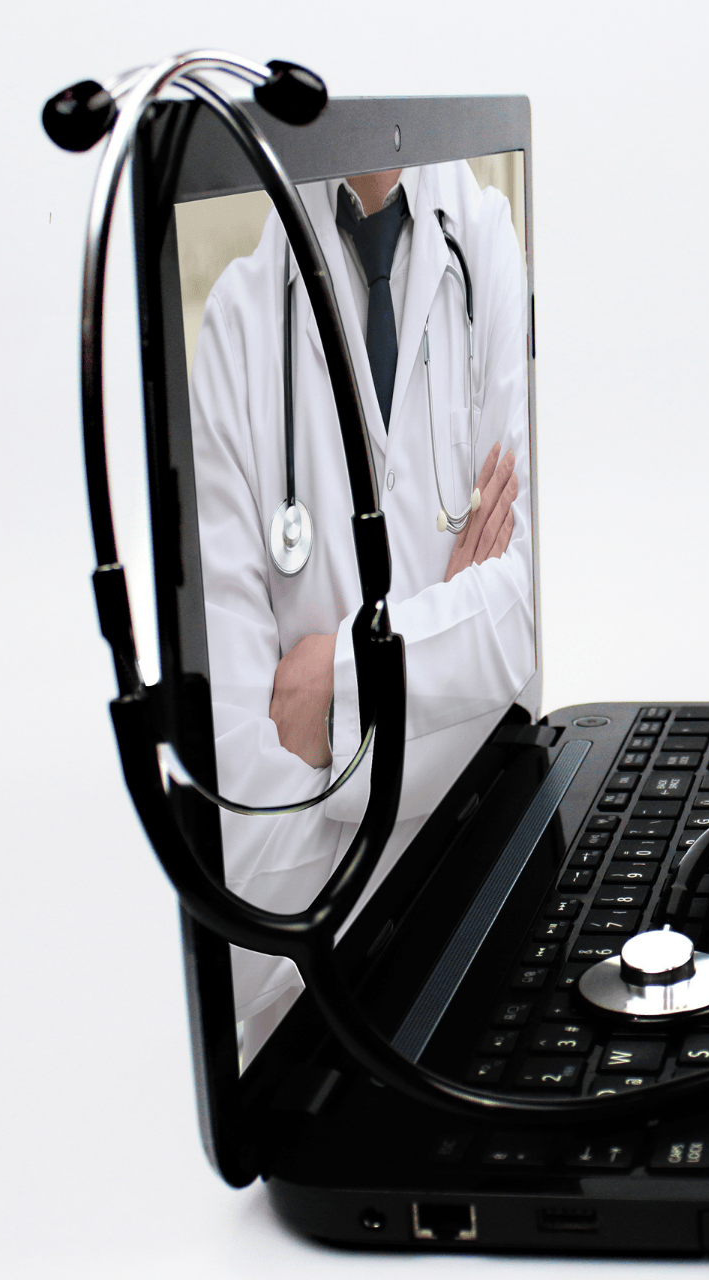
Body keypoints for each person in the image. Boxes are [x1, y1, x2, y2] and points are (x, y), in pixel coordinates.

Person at [188, 161, 535, 1057]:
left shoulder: (487, 240)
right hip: (314, 1031)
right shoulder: (236, 327)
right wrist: (453, 673)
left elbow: (530, 633)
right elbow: (245, 883)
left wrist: (334, 688)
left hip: (494, 939)